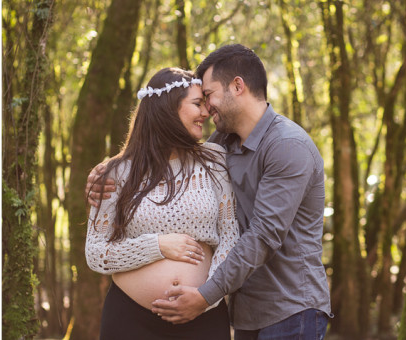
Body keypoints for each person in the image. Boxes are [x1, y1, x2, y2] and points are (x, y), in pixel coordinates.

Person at [151, 44, 332, 339]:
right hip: (246, 313)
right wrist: (113, 171)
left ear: (237, 86)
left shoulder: (287, 146)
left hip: (292, 312)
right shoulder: (223, 140)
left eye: (208, 95)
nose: (206, 108)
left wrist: (204, 296)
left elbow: (264, 234)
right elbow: (176, 165)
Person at [85, 67, 239, 340]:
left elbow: (229, 236)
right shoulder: (117, 173)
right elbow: (96, 252)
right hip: (130, 320)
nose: (205, 112)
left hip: (203, 317)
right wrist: (157, 246)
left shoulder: (214, 161)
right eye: (196, 104)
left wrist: (206, 297)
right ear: (168, 109)